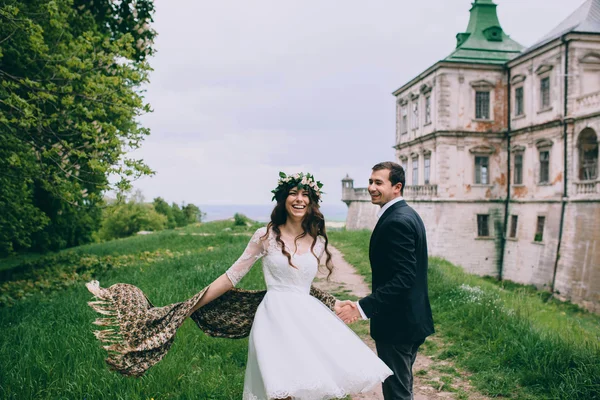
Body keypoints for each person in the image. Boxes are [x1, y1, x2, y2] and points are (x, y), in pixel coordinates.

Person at [86, 172, 391, 399]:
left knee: (307, 387)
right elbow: (232, 276)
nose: (299, 199)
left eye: (305, 194)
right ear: (283, 199)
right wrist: (192, 303)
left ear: (312, 201)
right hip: (274, 319)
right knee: (279, 386)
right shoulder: (264, 235)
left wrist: (335, 303)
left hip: (308, 319)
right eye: (293, 193)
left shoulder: (316, 238)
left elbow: (304, 284)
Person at [337, 162, 434, 400]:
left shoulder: (396, 221)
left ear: (397, 187)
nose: (371, 187)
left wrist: (361, 309)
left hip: (397, 325)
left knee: (397, 394)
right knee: (402, 388)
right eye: (371, 181)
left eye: (379, 183)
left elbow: (404, 278)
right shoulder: (407, 214)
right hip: (410, 320)